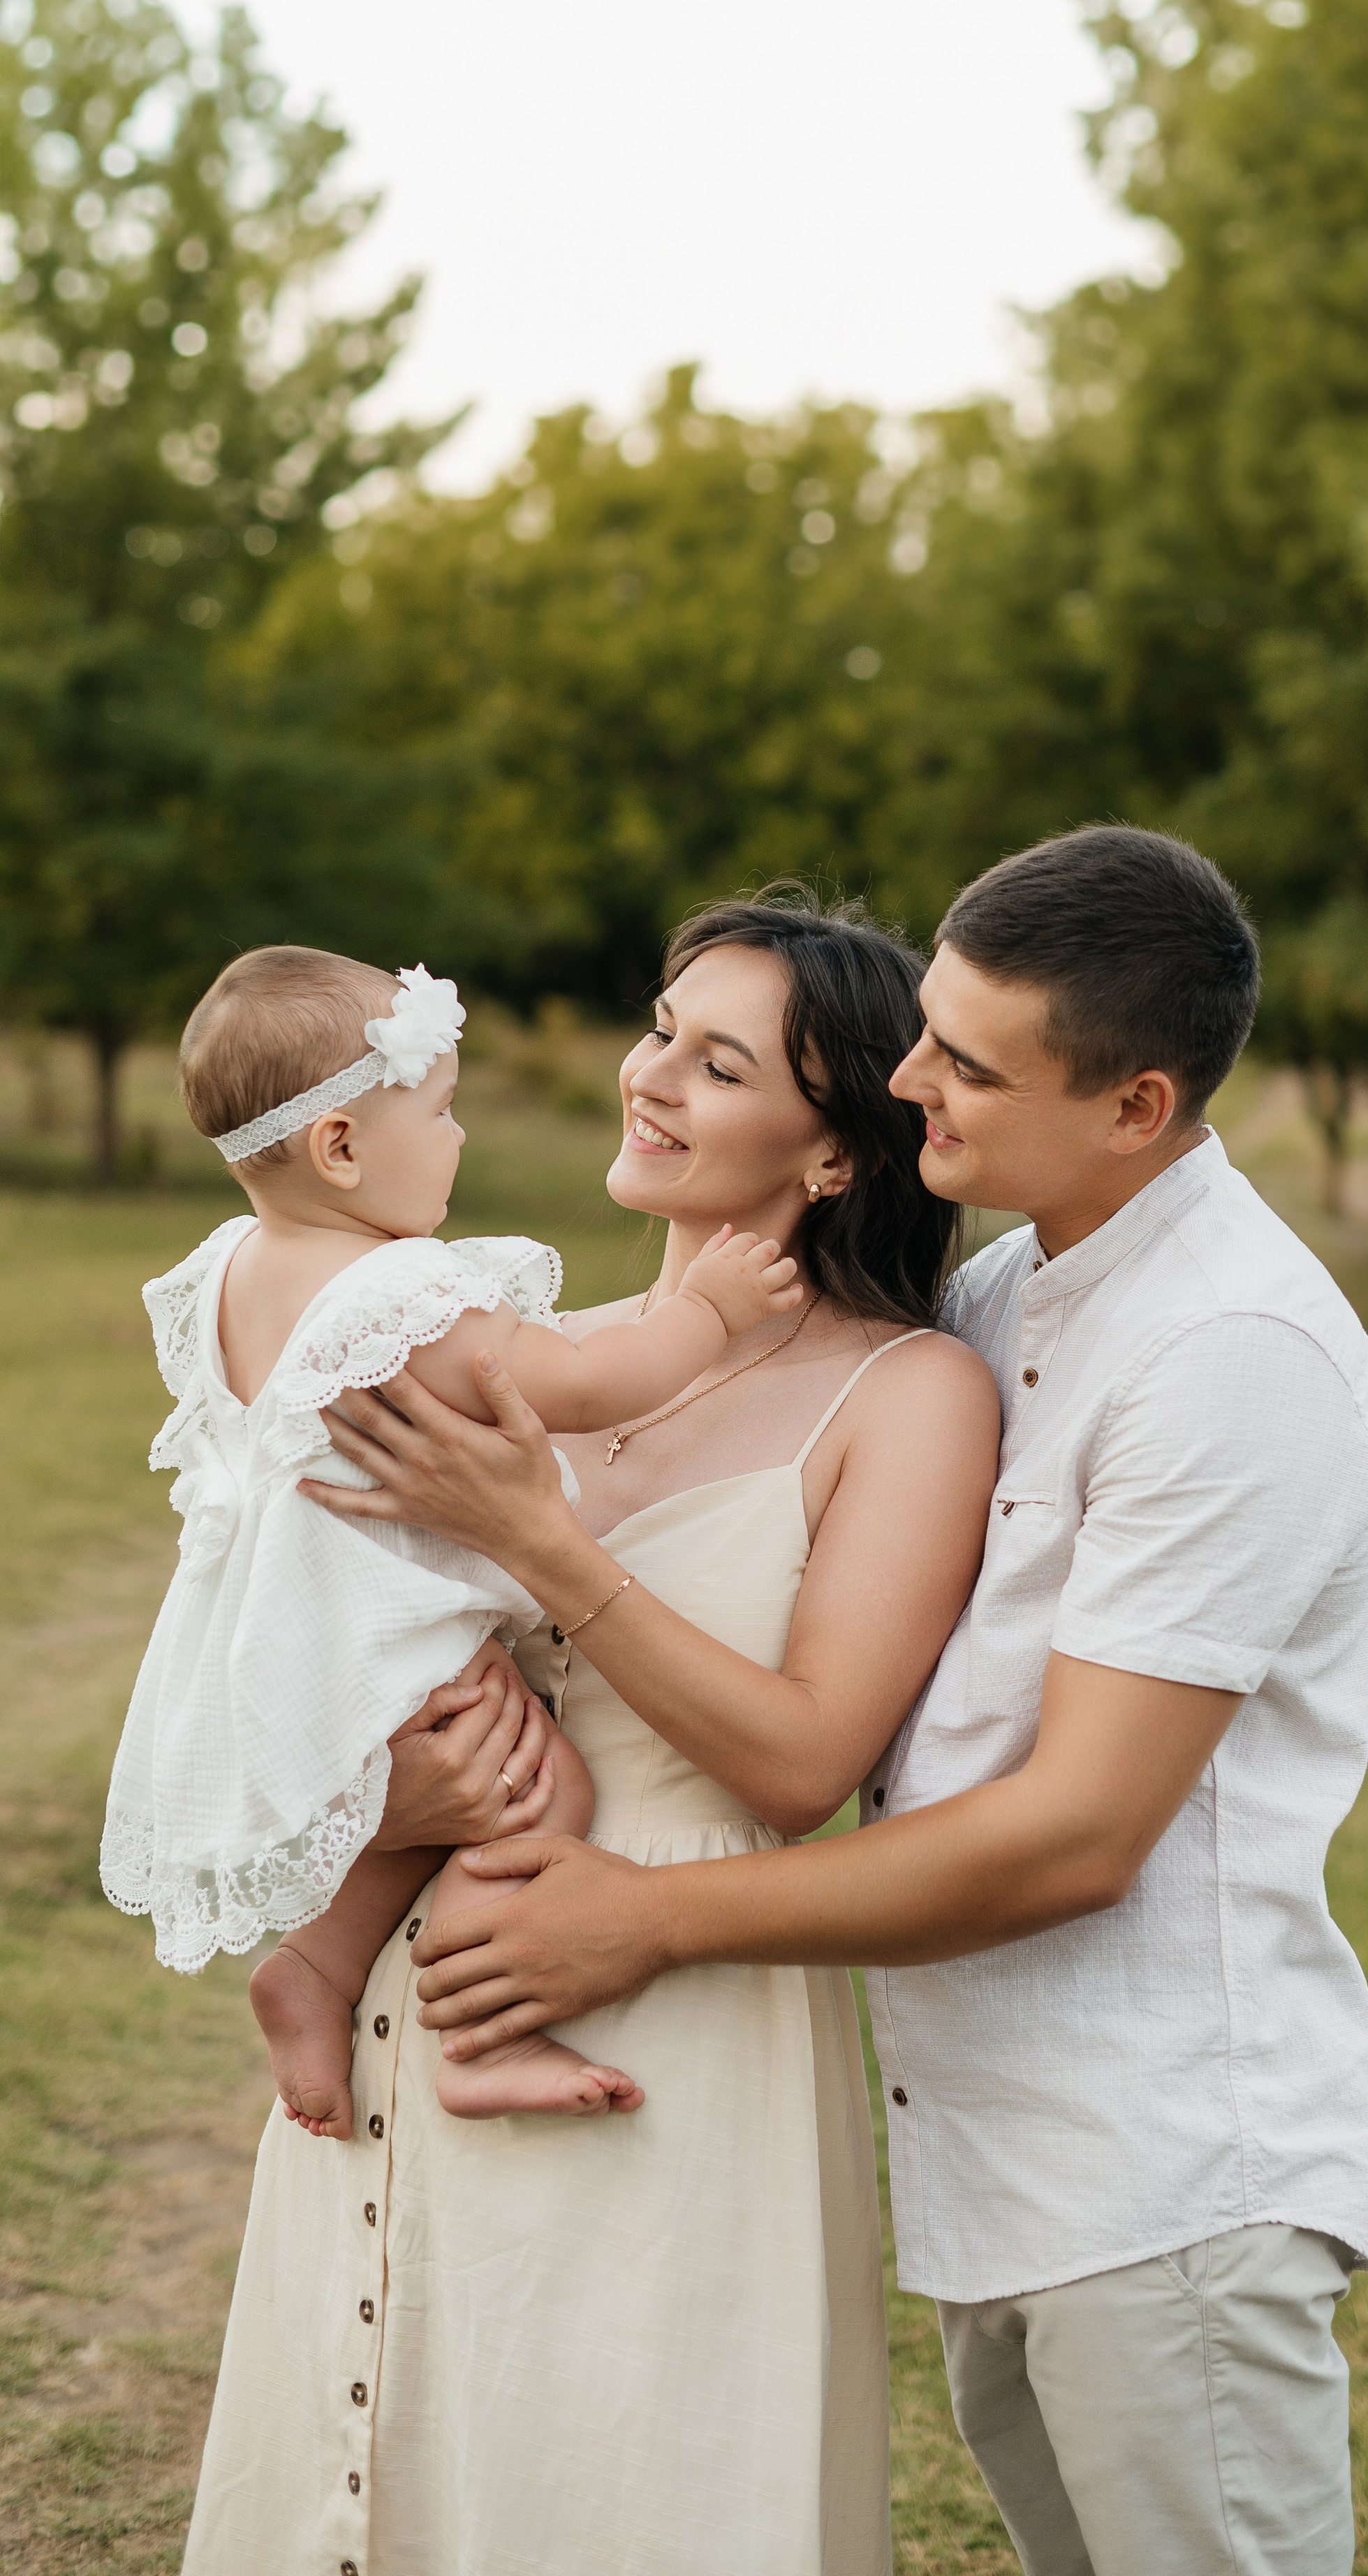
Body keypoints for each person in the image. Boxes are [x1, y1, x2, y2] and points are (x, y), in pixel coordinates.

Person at [317, 826, 1368, 2576]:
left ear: (1133, 1105)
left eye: (964, 1061)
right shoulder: (995, 1297)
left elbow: (1075, 1831)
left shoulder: (1230, 1359)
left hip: (1163, 2162)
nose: (909, 1081)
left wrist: (645, 1919)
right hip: (981, 2142)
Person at [183, 895, 999, 2576]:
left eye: (716, 1062)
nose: (651, 1078)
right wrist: (385, 1782)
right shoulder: (494, 1348)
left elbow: (800, 1767)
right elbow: (313, 1614)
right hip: (411, 1981)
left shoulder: (909, 1395)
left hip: (671, 2031)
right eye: (658, 1029)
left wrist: (544, 1545)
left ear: (837, 1152)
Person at [107, 944, 800, 2136]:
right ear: (340, 1147)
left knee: (456, 1794)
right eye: (439, 1110)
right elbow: (584, 1380)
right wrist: (711, 1315)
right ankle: (486, 2034)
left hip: (287, 1636)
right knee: (543, 1786)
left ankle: (316, 1969)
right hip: (386, 1621)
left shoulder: (231, 1270)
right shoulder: (394, 1297)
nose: (462, 1137)